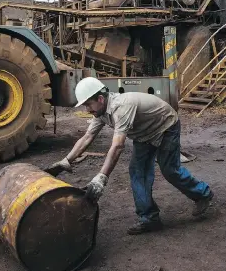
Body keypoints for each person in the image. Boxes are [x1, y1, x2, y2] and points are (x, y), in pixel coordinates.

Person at [45, 77, 213, 235]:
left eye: (88, 104)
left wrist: (101, 177)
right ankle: (149, 218)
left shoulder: (121, 107)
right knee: (137, 171)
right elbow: (87, 138)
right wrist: (66, 160)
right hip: (144, 133)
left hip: (166, 126)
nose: (87, 110)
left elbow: (117, 146)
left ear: (101, 99)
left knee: (169, 169)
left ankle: (203, 194)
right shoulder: (100, 113)